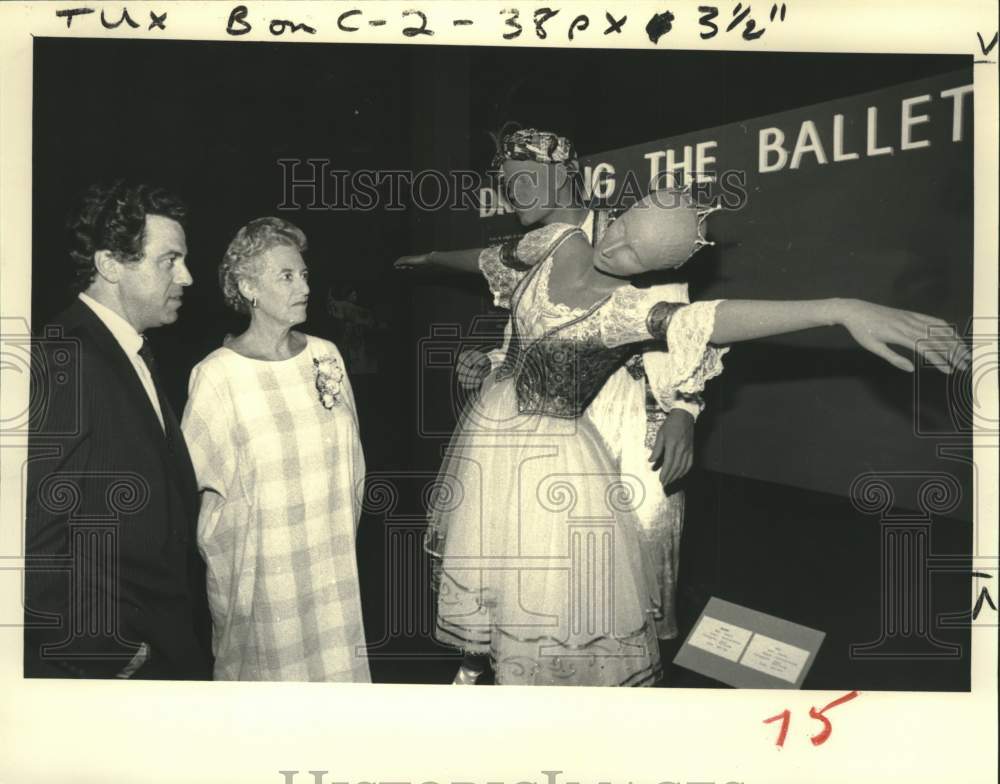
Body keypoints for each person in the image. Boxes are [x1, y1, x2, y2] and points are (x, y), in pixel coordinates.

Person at [401, 131, 970, 687]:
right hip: (502, 430)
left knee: (563, 570)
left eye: (634, 252)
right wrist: (431, 260)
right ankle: (476, 661)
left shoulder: (628, 305)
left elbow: (707, 321)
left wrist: (838, 309)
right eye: (621, 232)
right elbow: (491, 261)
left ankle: (541, 682)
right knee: (488, 546)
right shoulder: (555, 242)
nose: (617, 247)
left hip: (581, 434)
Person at [397, 128, 708, 684]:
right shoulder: (546, 243)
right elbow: (533, 324)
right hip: (539, 419)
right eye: (505, 183)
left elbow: (690, 327)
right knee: (511, 548)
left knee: (613, 567)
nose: (511, 193)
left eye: (522, 179)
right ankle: (496, 664)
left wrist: (685, 407)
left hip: (623, 415)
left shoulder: (631, 238)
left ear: (562, 174)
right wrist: (496, 359)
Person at [23, 181, 213, 680]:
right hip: (121, 664)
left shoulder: (128, 351)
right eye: (169, 261)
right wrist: (104, 653)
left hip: (162, 643)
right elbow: (30, 541)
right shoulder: (66, 359)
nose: (187, 277)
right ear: (110, 265)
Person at [181, 217, 370, 682]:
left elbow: (356, 466)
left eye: (304, 274)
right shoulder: (218, 376)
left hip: (333, 576)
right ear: (248, 287)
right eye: (286, 276)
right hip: (263, 587)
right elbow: (187, 492)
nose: (303, 286)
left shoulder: (327, 355)